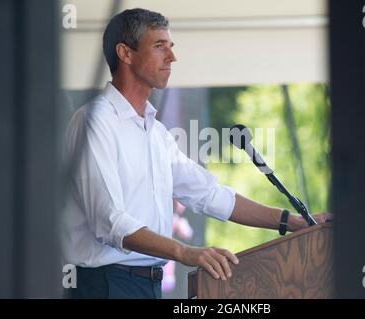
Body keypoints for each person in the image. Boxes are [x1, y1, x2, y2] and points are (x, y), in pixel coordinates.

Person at [62, 8, 331, 299]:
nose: (172, 57)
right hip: (104, 286)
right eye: (159, 46)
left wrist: (291, 222)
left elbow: (209, 194)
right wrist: (185, 252)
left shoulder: (156, 134)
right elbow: (110, 221)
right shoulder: (94, 121)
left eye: (171, 47)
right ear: (125, 53)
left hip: (146, 286)